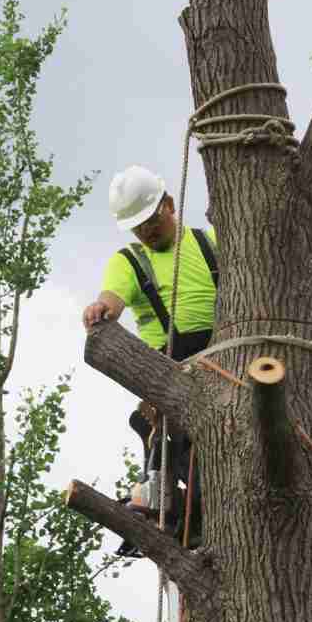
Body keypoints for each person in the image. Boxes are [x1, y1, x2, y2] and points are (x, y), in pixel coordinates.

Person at [82, 164, 217, 553]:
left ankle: (191, 509)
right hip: (170, 368)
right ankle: (176, 510)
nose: (145, 232)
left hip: (224, 358)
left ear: (169, 205)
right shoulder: (129, 261)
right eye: (137, 226)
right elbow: (112, 299)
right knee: (175, 443)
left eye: (150, 221)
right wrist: (100, 309)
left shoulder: (210, 242)